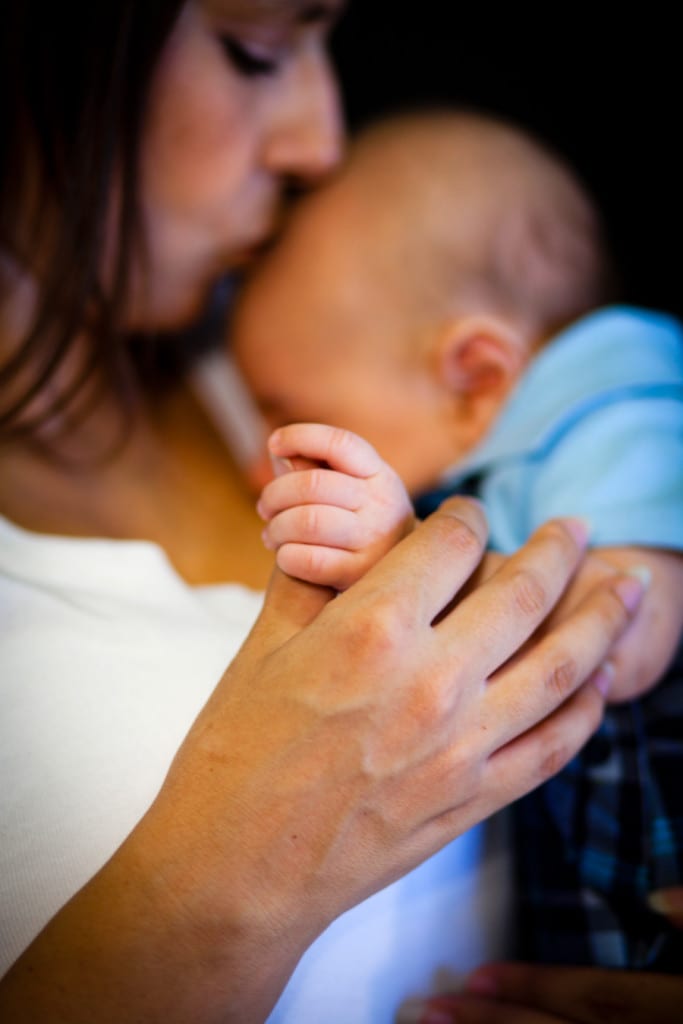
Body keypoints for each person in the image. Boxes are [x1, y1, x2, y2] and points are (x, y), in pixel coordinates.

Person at [0, 3, 660, 1018]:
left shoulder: (292, 326)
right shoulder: (300, 358)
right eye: (254, 46)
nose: (322, 140)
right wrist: (239, 863)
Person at [230, 110, 683, 981]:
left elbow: (619, 634)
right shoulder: (496, 457)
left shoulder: (617, 404)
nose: (259, 464)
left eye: (287, 413)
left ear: (474, 378)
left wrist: (412, 558)